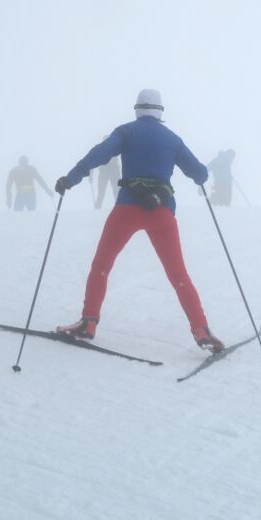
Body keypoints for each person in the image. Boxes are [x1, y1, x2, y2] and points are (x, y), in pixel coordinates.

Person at [52, 88, 224, 353]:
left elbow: (98, 154)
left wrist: (71, 178)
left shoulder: (126, 132)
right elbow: (199, 172)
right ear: (160, 112)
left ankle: (88, 323)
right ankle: (201, 329)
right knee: (178, 274)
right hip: (162, 213)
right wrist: (201, 178)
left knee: (102, 265)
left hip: (127, 210)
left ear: (137, 109)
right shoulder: (172, 139)